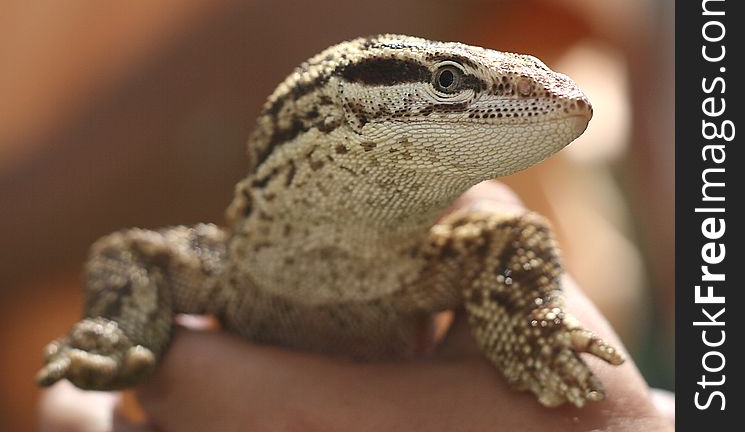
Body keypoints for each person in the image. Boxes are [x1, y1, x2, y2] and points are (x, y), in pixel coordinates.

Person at [38, 182, 674, 432]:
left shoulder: (466, 247)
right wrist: (117, 334)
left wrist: (540, 347)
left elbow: (516, 239)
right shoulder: (230, 259)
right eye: (450, 83)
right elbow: (132, 258)